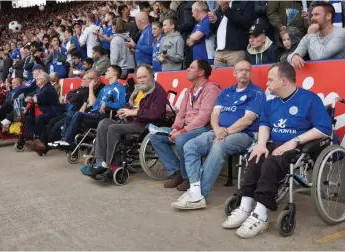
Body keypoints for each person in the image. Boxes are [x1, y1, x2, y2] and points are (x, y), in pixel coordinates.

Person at [221, 62, 332, 239]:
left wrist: (294, 142)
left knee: (271, 163)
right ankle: (245, 205)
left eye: (270, 79)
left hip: (299, 146)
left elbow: (324, 129)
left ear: (283, 80)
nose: (267, 83)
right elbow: (264, 125)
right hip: (275, 143)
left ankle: (261, 214)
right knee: (256, 157)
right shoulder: (271, 103)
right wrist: (261, 145)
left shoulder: (310, 99)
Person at [171, 61, 266, 210]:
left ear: (251, 73)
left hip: (243, 135)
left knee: (218, 147)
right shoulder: (227, 91)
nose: (243, 73)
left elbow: (247, 120)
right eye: (240, 70)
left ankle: (198, 195)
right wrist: (217, 129)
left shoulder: (257, 93)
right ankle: (195, 191)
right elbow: (214, 114)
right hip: (218, 131)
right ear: (234, 73)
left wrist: (225, 132)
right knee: (190, 146)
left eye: (247, 70)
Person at [84, 64, 167, 178]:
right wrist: (124, 111)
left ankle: (111, 165)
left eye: (144, 77)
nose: (142, 80)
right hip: (129, 121)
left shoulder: (158, 92)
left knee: (113, 129)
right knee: (104, 123)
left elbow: (154, 114)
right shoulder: (139, 89)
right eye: (139, 77)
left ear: (152, 76)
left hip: (143, 125)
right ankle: (100, 162)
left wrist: (134, 113)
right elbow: (130, 104)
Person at [150, 59, 221, 190]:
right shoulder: (189, 91)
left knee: (181, 139)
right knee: (156, 137)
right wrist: (175, 128)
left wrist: (182, 132)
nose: (187, 69)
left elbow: (204, 118)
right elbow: (181, 113)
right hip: (186, 128)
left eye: (191, 67)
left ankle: (189, 177)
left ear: (201, 72)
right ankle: (176, 171)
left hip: (203, 128)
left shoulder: (212, 89)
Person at [51, 67, 126, 147]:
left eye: (108, 71)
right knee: (71, 113)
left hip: (104, 116)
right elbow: (93, 103)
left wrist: (108, 104)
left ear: (114, 73)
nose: (105, 73)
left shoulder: (120, 88)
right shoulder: (104, 89)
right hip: (94, 113)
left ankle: (68, 140)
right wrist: (90, 88)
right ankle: (63, 139)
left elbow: (122, 105)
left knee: (78, 114)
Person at [288, 2, 345, 69]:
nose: (312, 18)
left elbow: (319, 57)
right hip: (323, 75)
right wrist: (295, 56)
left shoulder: (342, 33)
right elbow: (290, 56)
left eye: (317, 14)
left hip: (344, 73)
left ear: (328, 16)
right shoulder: (310, 35)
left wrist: (311, 35)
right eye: (312, 15)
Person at [209, 1, 255, 67]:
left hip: (235, 52)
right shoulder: (219, 6)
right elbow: (213, 30)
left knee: (236, 75)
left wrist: (227, 10)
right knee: (219, 77)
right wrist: (213, 22)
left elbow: (246, 23)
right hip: (218, 52)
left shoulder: (246, 3)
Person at [24, 72, 61, 144]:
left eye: (38, 78)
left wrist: (32, 97)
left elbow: (37, 98)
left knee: (39, 118)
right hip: (44, 111)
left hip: (53, 112)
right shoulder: (39, 88)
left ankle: (41, 139)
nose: (36, 80)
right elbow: (30, 96)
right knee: (28, 117)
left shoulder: (49, 88)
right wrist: (30, 97)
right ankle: (31, 137)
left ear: (44, 80)